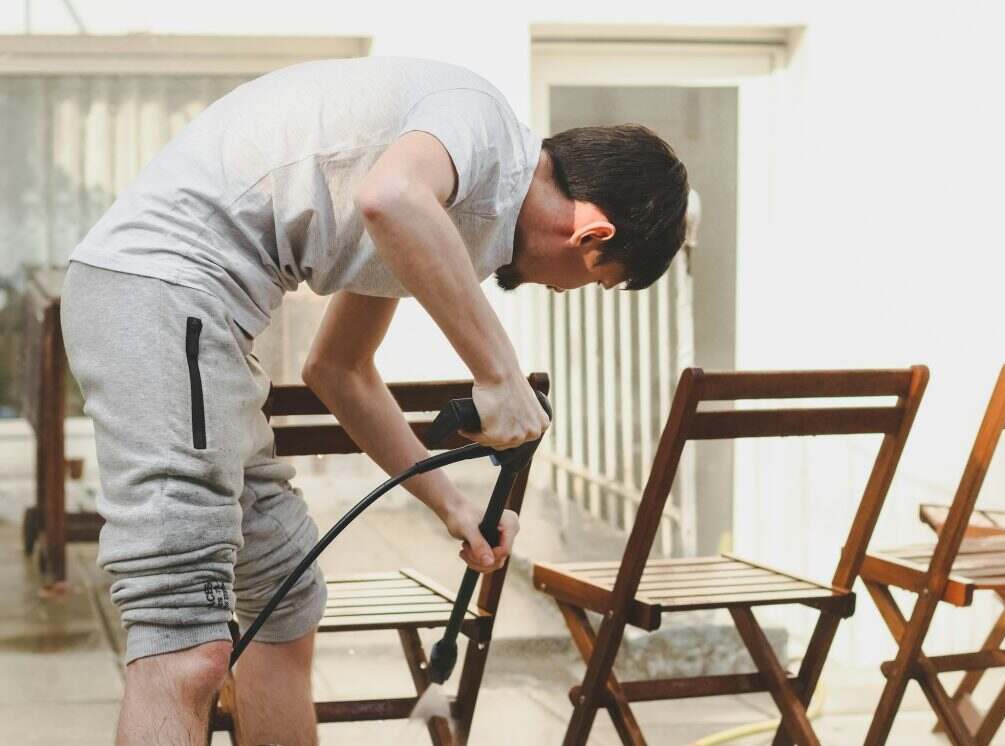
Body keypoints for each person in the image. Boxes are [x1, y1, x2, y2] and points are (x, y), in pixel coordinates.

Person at [60, 56, 690, 745]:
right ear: (592, 237)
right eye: (595, 282)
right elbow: (389, 197)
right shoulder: (479, 128)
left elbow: (339, 369)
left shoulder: (446, 210)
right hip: (161, 294)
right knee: (185, 640)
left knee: (284, 600)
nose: (563, 291)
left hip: (199, 323)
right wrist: (500, 373)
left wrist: (452, 507)